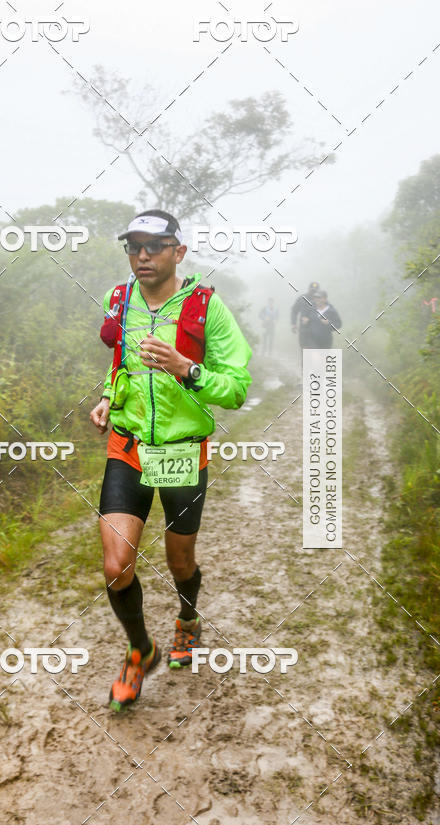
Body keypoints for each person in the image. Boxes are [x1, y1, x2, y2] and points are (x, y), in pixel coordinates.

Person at [89, 209, 252, 711]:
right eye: (133, 246)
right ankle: (141, 650)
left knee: (179, 560)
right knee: (116, 565)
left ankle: (187, 619)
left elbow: (237, 389)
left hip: (181, 452)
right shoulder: (119, 299)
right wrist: (108, 398)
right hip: (129, 447)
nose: (142, 256)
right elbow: (121, 365)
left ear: (178, 252)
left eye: (154, 246)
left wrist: (187, 369)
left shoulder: (206, 307)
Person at [291, 280, 321, 349]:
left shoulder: (321, 300)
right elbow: (294, 311)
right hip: (304, 330)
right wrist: (293, 323)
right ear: (309, 289)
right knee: (305, 349)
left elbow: (327, 314)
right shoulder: (302, 298)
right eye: (312, 291)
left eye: (315, 291)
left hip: (317, 330)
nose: (313, 293)